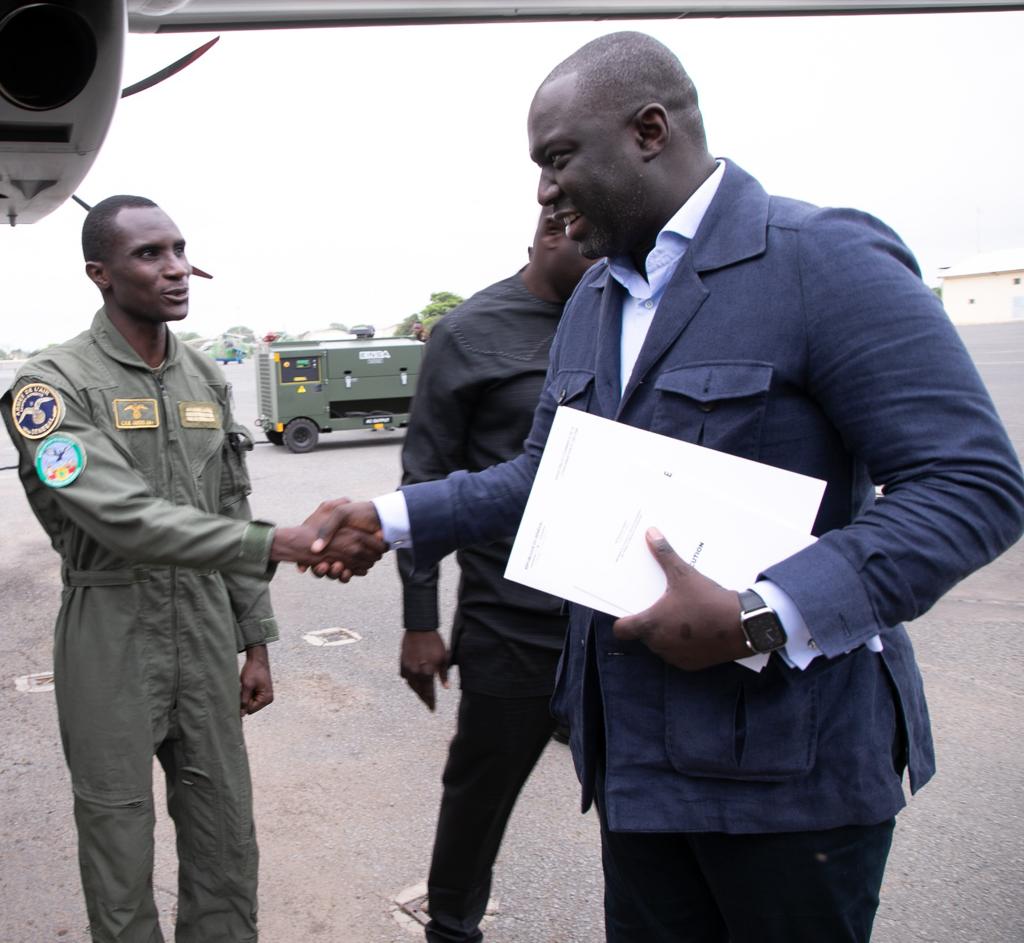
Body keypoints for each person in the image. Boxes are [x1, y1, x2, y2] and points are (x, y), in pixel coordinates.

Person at [312, 32, 1024, 943]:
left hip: (788, 779)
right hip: (639, 765)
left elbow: (971, 485)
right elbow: (545, 475)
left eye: (558, 158)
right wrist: (390, 516)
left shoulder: (820, 259)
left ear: (650, 130)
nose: (543, 190)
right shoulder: (595, 300)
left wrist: (764, 614)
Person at [2, 195, 384, 943]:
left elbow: (232, 502)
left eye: (180, 250)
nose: (177, 269)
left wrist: (257, 641)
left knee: (224, 834)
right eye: (151, 254)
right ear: (100, 274)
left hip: (207, 631)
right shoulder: (48, 390)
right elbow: (121, 517)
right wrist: (280, 542)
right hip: (110, 629)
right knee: (118, 838)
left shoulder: (206, 378)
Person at [397, 205, 595, 943]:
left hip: (619, 628)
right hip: (510, 625)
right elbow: (424, 479)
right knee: (478, 798)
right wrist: (420, 621)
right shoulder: (469, 334)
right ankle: (451, 928)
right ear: (553, 229)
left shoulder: (630, 315)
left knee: (645, 814)